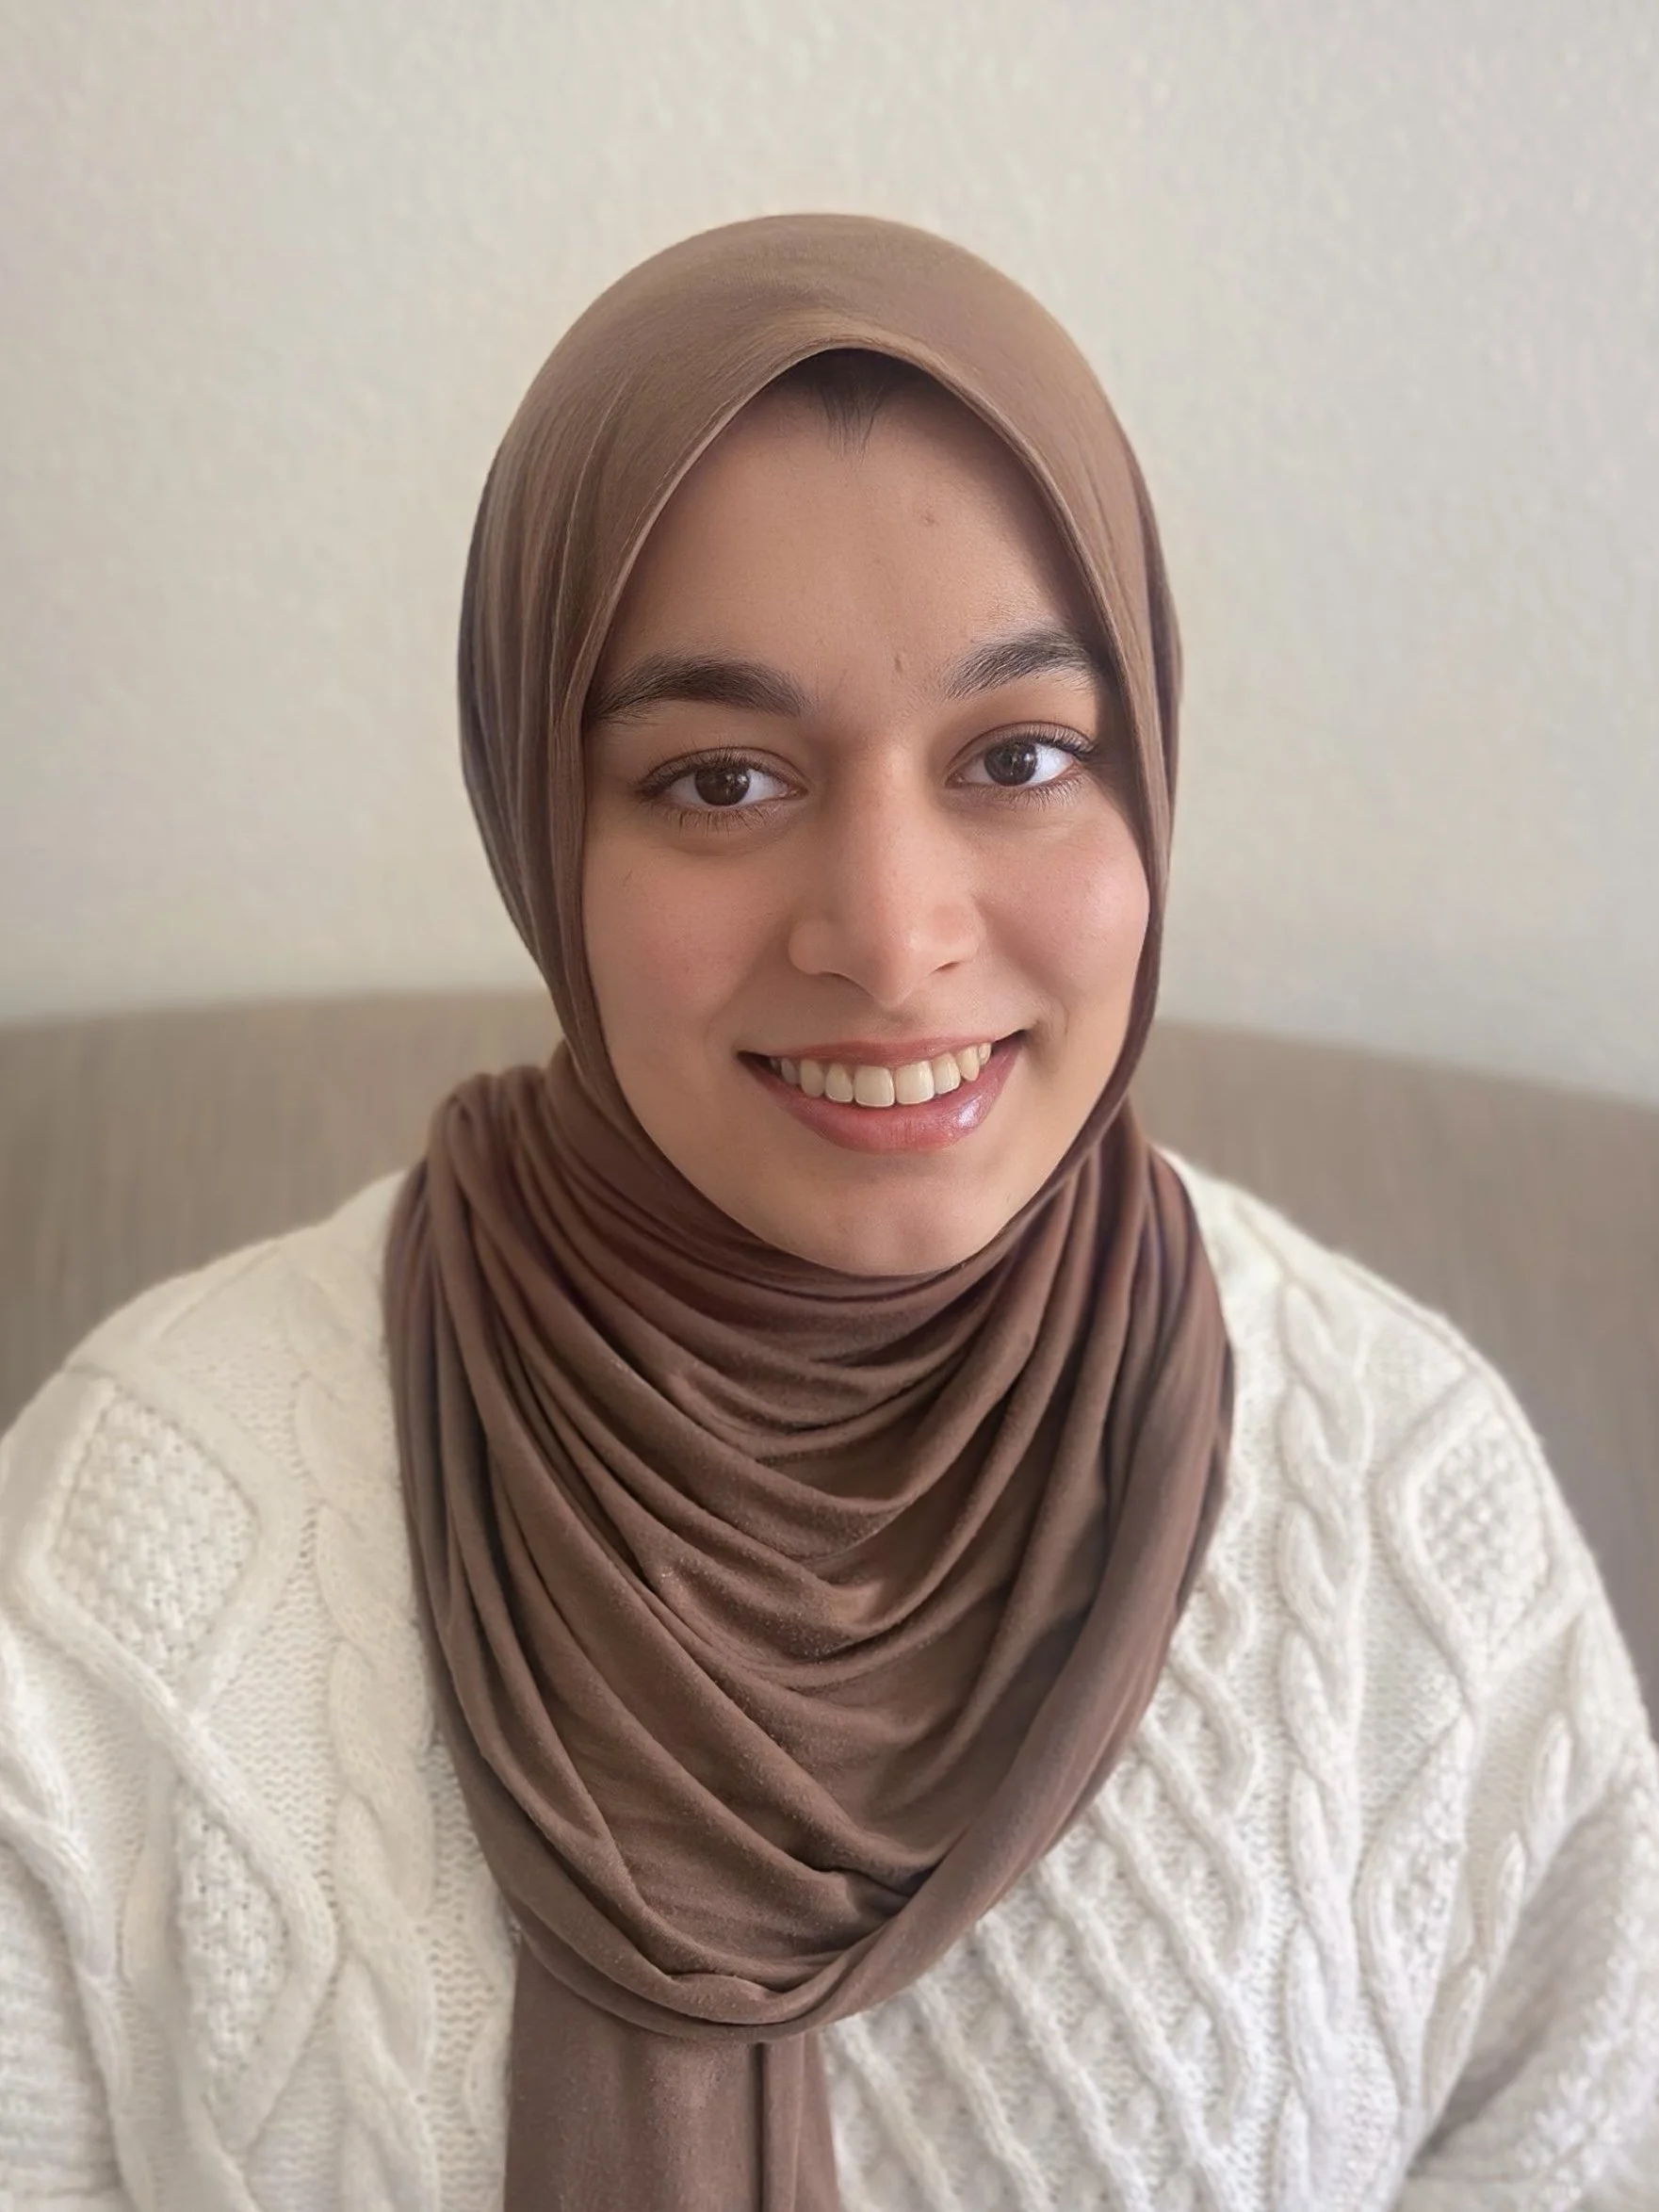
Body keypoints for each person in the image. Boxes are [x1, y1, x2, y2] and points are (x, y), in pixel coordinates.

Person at [1, 213, 1655, 2212]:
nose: (888, 938)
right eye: (719, 782)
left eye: (1020, 757)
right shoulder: (153, 1518)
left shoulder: (1408, 1508)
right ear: (537, 814)